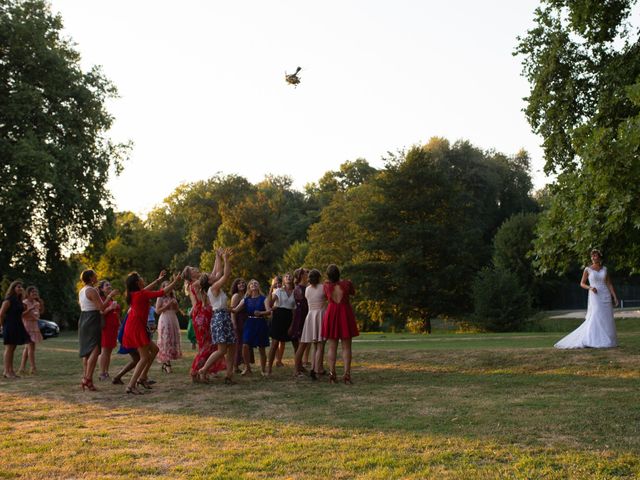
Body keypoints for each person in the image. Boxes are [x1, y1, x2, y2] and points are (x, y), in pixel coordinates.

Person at [122, 270, 181, 394]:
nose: (143, 279)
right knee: (144, 357)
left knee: (154, 350)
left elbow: (147, 289)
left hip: (135, 326)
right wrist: (175, 281)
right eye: (141, 278)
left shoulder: (135, 293)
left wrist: (158, 280)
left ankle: (143, 377)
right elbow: (163, 292)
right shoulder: (141, 295)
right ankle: (131, 385)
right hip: (136, 327)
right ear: (138, 283)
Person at [555, 249, 619, 349]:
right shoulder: (587, 269)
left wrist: (614, 296)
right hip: (595, 294)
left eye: (595, 256)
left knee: (606, 317)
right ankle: (592, 339)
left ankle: (607, 340)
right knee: (596, 315)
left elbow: (609, 284)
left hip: (605, 294)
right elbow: (582, 283)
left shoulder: (604, 269)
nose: (593, 258)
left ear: (599, 257)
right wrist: (590, 287)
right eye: (592, 256)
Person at [198, 248, 237, 384]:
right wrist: (225, 259)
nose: (213, 274)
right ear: (209, 281)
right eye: (210, 276)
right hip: (220, 318)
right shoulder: (213, 288)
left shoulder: (212, 286)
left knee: (232, 346)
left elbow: (218, 271)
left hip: (223, 316)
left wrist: (218, 256)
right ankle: (203, 370)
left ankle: (229, 375)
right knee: (221, 350)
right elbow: (225, 275)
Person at [78, 269, 118, 391]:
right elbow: (101, 307)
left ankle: (87, 378)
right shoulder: (92, 290)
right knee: (95, 350)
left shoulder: (82, 290)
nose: (97, 277)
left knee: (87, 351)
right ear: (90, 278)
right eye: (95, 275)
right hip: (92, 319)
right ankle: (87, 378)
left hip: (84, 318)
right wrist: (110, 296)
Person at [322, 264, 359, 384]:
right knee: (347, 347)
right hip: (344, 313)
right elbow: (353, 292)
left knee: (332, 347)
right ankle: (347, 375)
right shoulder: (347, 284)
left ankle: (332, 375)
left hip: (332, 313)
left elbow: (325, 294)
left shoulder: (326, 286)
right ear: (339, 273)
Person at [233, 279, 270, 376]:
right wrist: (223, 308)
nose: (254, 284)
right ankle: (247, 368)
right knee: (245, 345)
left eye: (256, 283)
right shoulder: (245, 299)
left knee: (261, 348)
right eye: (252, 284)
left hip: (261, 323)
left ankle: (263, 370)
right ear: (249, 287)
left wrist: (261, 313)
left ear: (258, 286)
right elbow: (235, 310)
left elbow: (269, 311)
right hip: (249, 323)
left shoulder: (263, 298)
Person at [296, 269, 326, 379]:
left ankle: (315, 367)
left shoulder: (307, 289)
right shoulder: (323, 287)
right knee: (320, 344)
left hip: (311, 315)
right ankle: (317, 369)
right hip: (320, 315)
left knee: (314, 344)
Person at [267, 273, 297, 374]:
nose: (288, 277)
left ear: (293, 279)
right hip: (278, 316)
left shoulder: (295, 292)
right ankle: (269, 368)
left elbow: (294, 310)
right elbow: (270, 304)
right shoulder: (279, 291)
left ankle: (298, 368)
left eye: (290, 276)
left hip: (289, 317)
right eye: (286, 276)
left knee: (296, 343)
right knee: (275, 343)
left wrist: (292, 324)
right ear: (283, 280)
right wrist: (272, 288)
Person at [0, 281, 31, 379]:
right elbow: (1, 314)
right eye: (18, 287)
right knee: (9, 348)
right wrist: (1, 326)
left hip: (17, 325)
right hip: (9, 325)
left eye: (21, 287)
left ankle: (11, 371)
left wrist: (26, 309)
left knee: (13, 348)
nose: (20, 288)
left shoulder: (18, 300)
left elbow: (20, 314)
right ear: (13, 288)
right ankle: (6, 371)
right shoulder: (8, 300)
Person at [156, 281, 182, 373]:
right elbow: (157, 311)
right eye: (166, 286)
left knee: (172, 340)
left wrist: (175, 305)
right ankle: (167, 363)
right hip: (165, 319)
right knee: (165, 340)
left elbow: (176, 310)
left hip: (173, 318)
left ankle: (167, 362)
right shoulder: (160, 297)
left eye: (170, 286)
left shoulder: (172, 297)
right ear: (163, 288)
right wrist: (166, 305)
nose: (169, 288)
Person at [97, 280, 121, 381]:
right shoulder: (101, 299)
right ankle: (102, 373)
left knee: (109, 351)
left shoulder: (110, 299)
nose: (109, 286)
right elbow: (101, 312)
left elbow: (115, 312)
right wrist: (111, 307)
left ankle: (106, 372)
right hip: (106, 327)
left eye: (110, 284)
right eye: (107, 285)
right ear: (102, 289)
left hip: (113, 327)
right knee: (105, 350)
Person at [18, 286, 45, 375]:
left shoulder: (36, 303)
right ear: (28, 293)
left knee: (28, 348)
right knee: (31, 347)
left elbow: (38, 313)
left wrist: (40, 306)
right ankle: (33, 368)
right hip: (27, 326)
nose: (35, 294)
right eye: (33, 292)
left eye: (36, 292)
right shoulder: (24, 303)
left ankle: (22, 368)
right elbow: (21, 315)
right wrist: (29, 310)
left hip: (34, 325)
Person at [230, 277, 254, 372]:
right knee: (239, 344)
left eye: (243, 283)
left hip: (247, 321)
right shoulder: (236, 296)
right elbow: (233, 311)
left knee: (247, 343)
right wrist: (234, 324)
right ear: (236, 286)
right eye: (239, 283)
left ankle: (246, 365)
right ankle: (235, 366)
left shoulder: (247, 295)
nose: (242, 285)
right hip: (239, 321)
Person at [291, 268, 310, 376]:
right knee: (301, 344)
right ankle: (296, 370)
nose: (308, 274)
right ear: (301, 275)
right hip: (301, 317)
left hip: (306, 315)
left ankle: (300, 367)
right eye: (306, 272)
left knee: (304, 343)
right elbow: (302, 305)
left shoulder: (306, 287)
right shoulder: (299, 288)